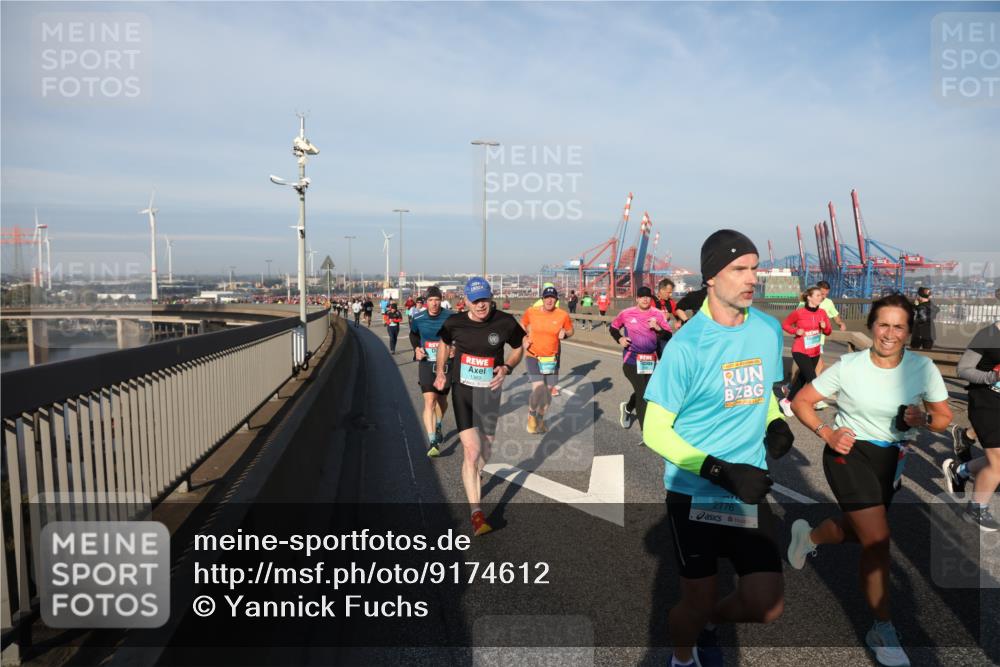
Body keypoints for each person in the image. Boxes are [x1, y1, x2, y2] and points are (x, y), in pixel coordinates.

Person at [643, 229, 793, 667]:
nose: (751, 279)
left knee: (767, 606)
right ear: (711, 277)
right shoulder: (688, 347)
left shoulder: (767, 329)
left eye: (755, 269)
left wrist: (775, 421)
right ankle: (683, 656)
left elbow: (762, 391)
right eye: (738, 270)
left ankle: (708, 624)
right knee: (695, 600)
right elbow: (655, 430)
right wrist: (721, 471)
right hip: (697, 492)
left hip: (747, 491)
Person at [788, 293, 952, 667]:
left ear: (908, 331)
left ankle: (808, 537)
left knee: (860, 529)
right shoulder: (848, 366)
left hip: (892, 459)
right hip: (848, 453)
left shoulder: (923, 369)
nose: (890, 333)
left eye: (898, 326)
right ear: (871, 326)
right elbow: (801, 402)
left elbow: (942, 417)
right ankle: (882, 627)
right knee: (877, 540)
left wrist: (922, 421)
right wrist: (827, 433)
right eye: (883, 324)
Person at [435, 277, 525, 536]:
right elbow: (444, 343)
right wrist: (441, 371)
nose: (481, 305)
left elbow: (520, 347)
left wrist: (507, 367)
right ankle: (476, 513)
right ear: (465, 301)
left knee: (485, 448)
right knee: (472, 452)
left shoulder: (505, 322)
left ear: (490, 297)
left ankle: (476, 473)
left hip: (490, 393)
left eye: (484, 299)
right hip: (463, 390)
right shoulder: (454, 323)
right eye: (475, 301)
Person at [942, 290, 1000, 531]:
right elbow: (963, 369)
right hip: (986, 402)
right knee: (998, 463)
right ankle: (976, 509)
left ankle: (960, 470)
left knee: (994, 460)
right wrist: (991, 376)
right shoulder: (988, 334)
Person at [609, 286, 672, 432]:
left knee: (647, 392)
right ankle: (646, 432)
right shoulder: (626, 313)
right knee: (644, 394)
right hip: (631, 360)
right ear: (637, 298)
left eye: (648, 297)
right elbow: (613, 328)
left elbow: (668, 335)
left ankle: (628, 407)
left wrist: (658, 328)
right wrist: (620, 339)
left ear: (651, 299)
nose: (645, 299)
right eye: (642, 296)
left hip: (650, 360)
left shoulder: (657, 314)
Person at [521, 286, 574, 434]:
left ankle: (540, 420)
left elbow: (571, 330)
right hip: (533, 356)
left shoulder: (562, 315)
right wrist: (525, 338)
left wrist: (566, 334)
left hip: (552, 359)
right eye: (546, 297)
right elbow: (522, 325)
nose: (549, 300)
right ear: (542, 299)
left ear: (556, 300)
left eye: (552, 298)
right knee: (538, 388)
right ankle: (531, 415)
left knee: (549, 390)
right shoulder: (531, 312)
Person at [410, 286, 454, 456]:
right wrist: (416, 349)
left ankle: (438, 424)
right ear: (426, 302)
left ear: (441, 300)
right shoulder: (418, 317)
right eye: (430, 300)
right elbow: (414, 335)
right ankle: (432, 441)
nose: (434, 303)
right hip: (427, 363)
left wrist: (455, 348)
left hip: (447, 364)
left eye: (437, 300)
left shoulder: (450, 316)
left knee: (442, 401)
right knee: (430, 401)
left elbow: (459, 336)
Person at [780, 286, 832, 416]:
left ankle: (787, 401)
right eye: (818, 295)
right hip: (800, 349)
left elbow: (828, 331)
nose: (822, 297)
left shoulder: (822, 313)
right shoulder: (799, 312)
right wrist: (795, 331)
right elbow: (785, 324)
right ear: (809, 297)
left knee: (801, 380)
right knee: (812, 378)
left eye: (822, 295)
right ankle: (814, 401)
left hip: (814, 351)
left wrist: (825, 328)